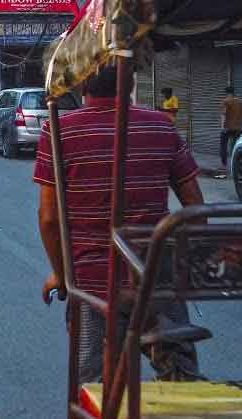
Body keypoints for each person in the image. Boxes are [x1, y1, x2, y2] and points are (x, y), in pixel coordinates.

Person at [35, 63, 204, 384]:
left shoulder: (59, 130)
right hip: (157, 274)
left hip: (92, 283)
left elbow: (49, 218)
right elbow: (196, 208)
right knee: (181, 380)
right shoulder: (162, 126)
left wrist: (61, 273)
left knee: (94, 387)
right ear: (130, 87)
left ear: (82, 87)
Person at [220, 86, 242, 170]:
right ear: (234, 92)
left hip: (227, 128)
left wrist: (222, 127)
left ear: (227, 93)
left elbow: (224, 114)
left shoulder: (226, 101)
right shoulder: (241, 102)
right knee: (236, 146)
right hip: (239, 128)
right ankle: (236, 163)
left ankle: (224, 165)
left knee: (223, 146)